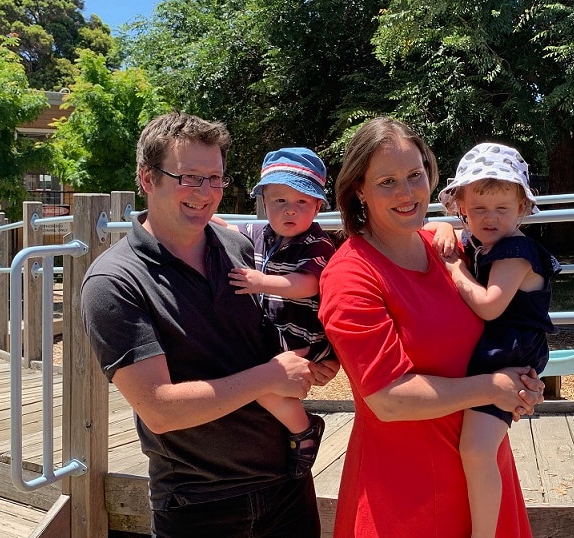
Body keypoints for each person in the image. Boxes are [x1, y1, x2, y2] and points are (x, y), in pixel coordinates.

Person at [80, 112, 339, 537]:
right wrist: (272, 375)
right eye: (189, 177)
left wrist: (313, 362)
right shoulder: (115, 282)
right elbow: (159, 409)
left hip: (286, 483)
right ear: (148, 179)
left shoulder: (238, 248)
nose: (205, 193)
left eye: (215, 178)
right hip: (200, 500)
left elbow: (266, 335)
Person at [317, 117, 544, 537]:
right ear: (358, 191)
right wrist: (495, 388)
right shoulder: (351, 276)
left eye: (415, 175)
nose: (406, 193)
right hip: (406, 494)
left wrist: (523, 383)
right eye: (387, 181)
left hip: (481, 478)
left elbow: (505, 329)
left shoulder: (449, 248)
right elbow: (388, 398)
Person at [430, 142, 561, 538]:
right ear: (462, 208)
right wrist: (443, 228)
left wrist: (453, 267)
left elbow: (489, 306)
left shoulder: (515, 252)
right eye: (479, 209)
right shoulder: (487, 244)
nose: (490, 218)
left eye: (502, 209)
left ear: (522, 208)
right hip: (499, 353)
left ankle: (483, 534)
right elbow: (444, 231)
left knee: (476, 450)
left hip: (510, 353)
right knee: (474, 448)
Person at [217, 147, 337, 478]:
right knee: (256, 378)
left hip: (303, 335)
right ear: (264, 203)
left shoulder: (317, 243)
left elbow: (308, 284)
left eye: (301, 202)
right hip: (272, 332)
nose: (289, 211)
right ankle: (287, 429)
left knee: (265, 382)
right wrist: (207, 217)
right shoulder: (258, 234)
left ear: (316, 206)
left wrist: (261, 282)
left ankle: (304, 431)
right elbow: (226, 230)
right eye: (279, 201)